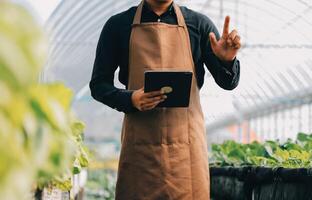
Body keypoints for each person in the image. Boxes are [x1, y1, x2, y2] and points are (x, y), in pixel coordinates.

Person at [89, 0, 241, 199]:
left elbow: (227, 83)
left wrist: (227, 61)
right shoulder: (118, 25)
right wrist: (131, 99)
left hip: (187, 152)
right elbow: (98, 85)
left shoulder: (199, 24)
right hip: (141, 151)